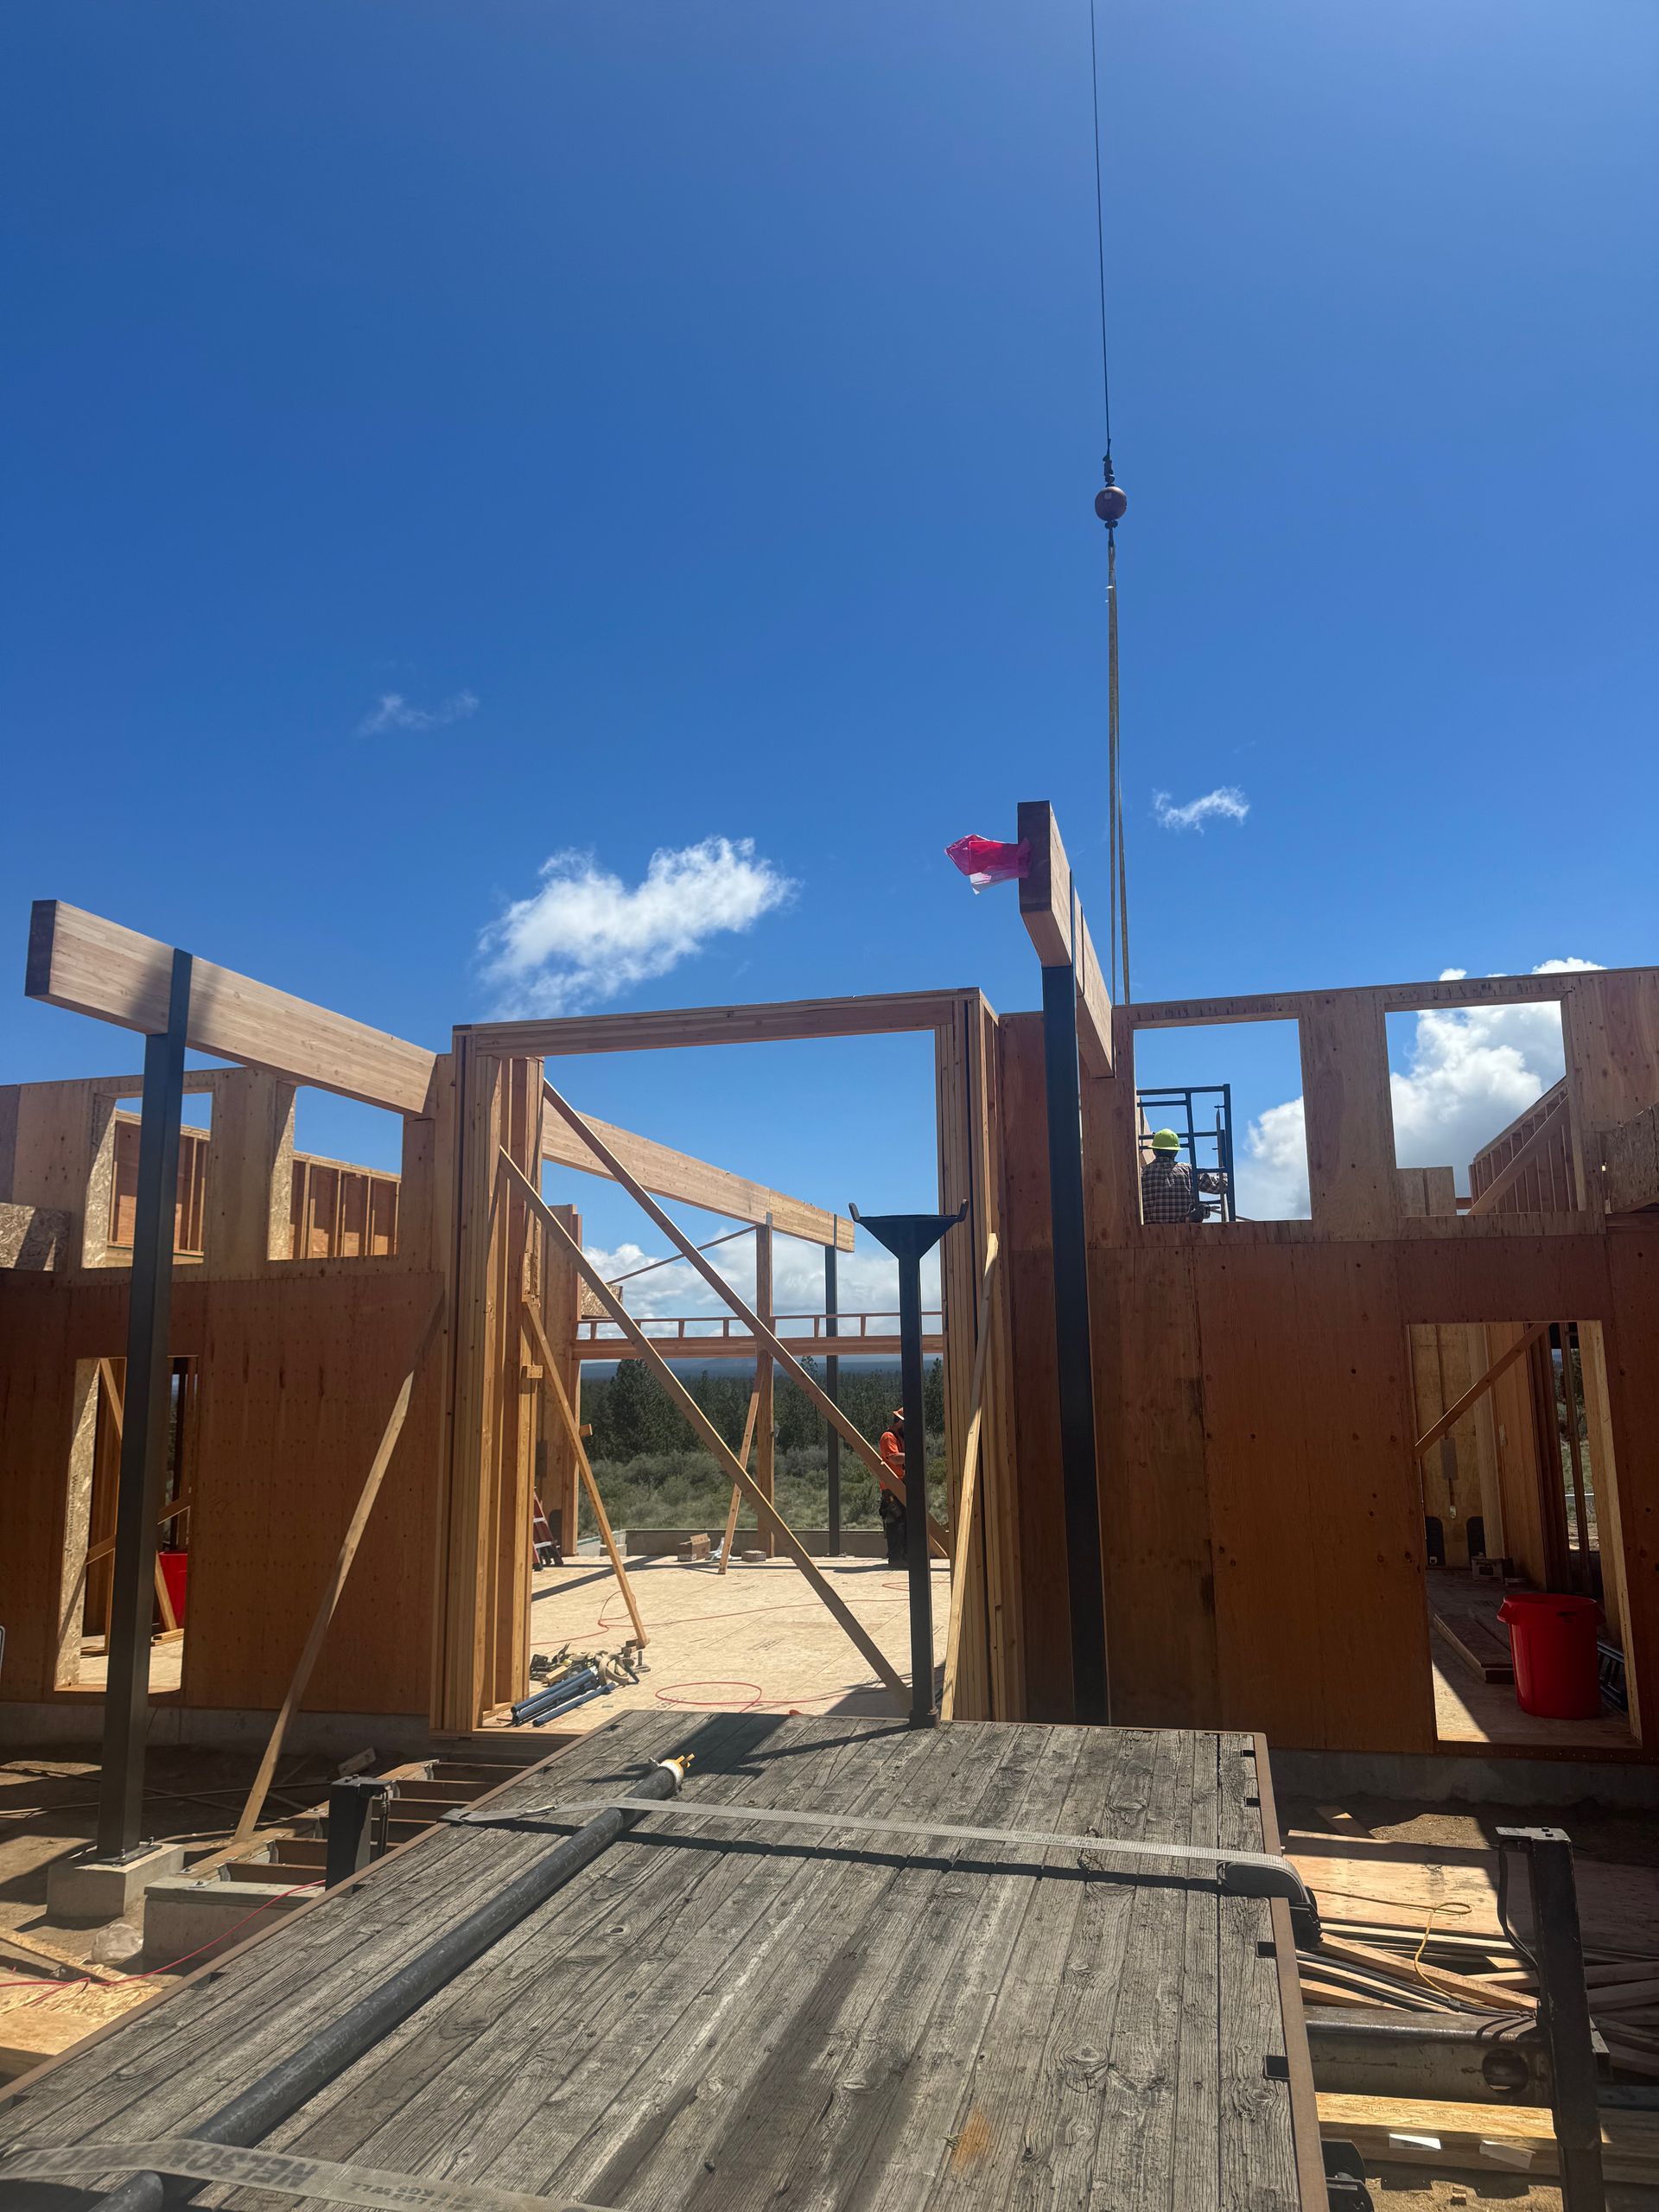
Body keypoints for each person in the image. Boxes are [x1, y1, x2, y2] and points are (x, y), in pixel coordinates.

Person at [1141, 1128, 1228, 1224]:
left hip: (1148, 1233)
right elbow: (1222, 1186)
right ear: (1175, 1152)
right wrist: (1223, 1171)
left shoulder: (1142, 1174)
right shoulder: (1189, 1170)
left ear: (1154, 1151)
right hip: (1185, 1232)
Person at [877, 1408, 908, 1567]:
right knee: (896, 1521)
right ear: (901, 1422)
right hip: (892, 1486)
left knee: (904, 1520)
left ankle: (903, 1555)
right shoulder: (888, 1437)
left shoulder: (899, 1437)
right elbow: (895, 1458)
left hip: (901, 1483)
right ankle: (896, 1558)